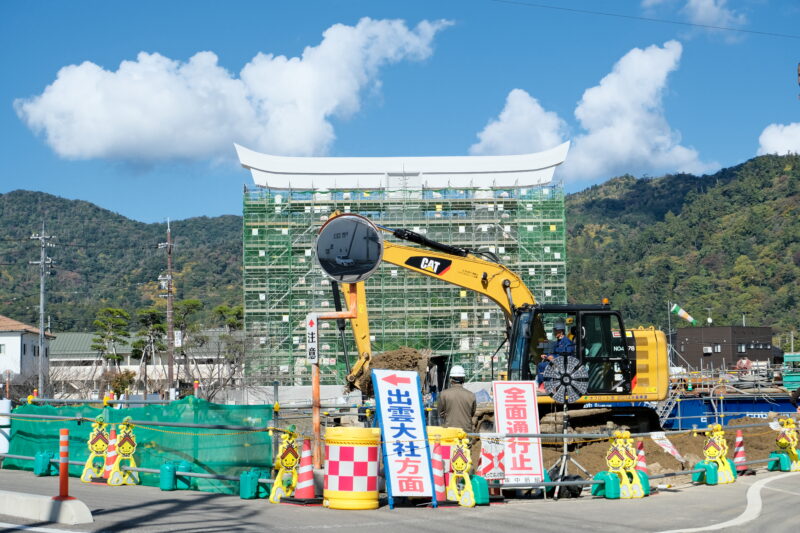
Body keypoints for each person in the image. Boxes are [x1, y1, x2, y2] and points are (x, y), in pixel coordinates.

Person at [537, 320, 575, 391]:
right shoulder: (557, 342)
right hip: (555, 362)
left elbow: (568, 355)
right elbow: (553, 353)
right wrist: (546, 356)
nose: (554, 332)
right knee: (540, 365)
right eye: (554, 330)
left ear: (561, 332)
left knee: (546, 366)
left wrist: (554, 357)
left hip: (563, 363)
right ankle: (542, 384)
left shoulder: (567, 342)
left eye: (556, 331)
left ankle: (548, 386)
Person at [437, 365, 476, 433]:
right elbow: (472, 413)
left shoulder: (443, 394)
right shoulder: (471, 395)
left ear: (451, 379)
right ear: (463, 379)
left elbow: (440, 413)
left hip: (449, 430)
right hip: (466, 431)